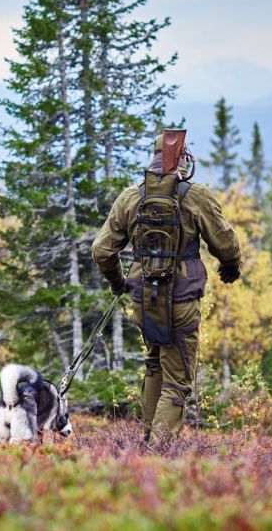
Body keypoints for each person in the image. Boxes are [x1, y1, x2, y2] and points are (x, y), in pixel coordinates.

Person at [92, 130, 241, 442]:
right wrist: (231, 267)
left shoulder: (131, 197)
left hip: (143, 299)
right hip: (182, 300)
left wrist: (118, 282)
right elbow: (226, 244)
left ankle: (148, 443)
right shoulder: (196, 195)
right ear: (183, 160)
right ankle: (156, 453)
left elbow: (102, 250)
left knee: (154, 365)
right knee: (177, 379)